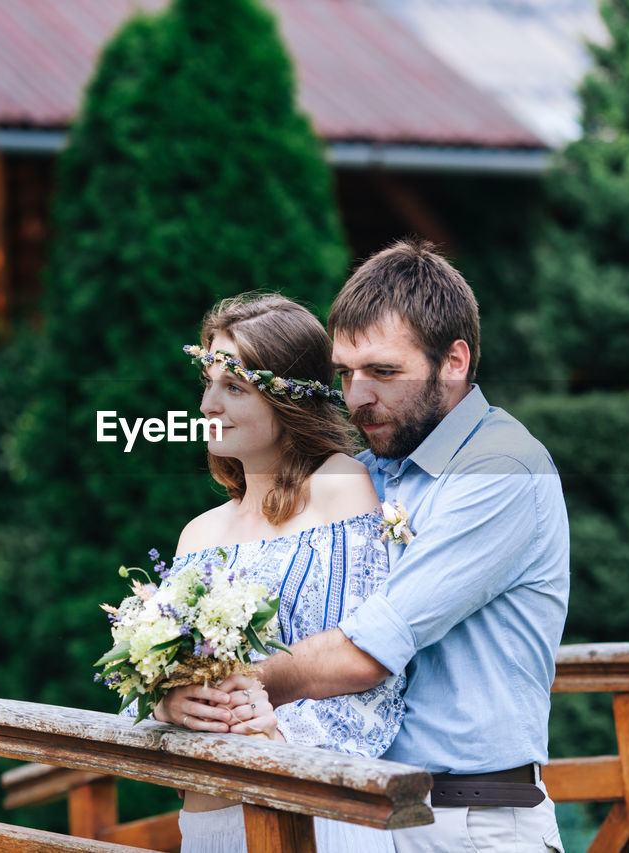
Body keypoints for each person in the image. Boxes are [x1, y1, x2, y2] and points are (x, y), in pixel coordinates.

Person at [167, 240, 570, 852]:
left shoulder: (502, 471)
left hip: (475, 822)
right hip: (372, 815)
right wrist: (176, 689)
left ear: (454, 361)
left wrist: (237, 685)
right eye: (345, 374)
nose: (356, 398)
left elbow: (367, 652)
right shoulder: (368, 472)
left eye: (382, 372)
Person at [153, 293, 405, 853]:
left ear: (288, 399)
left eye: (234, 387)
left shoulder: (339, 488)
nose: (207, 406)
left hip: (308, 812)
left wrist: (267, 727)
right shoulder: (197, 534)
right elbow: (155, 674)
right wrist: (165, 702)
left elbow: (371, 669)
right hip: (206, 821)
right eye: (209, 383)